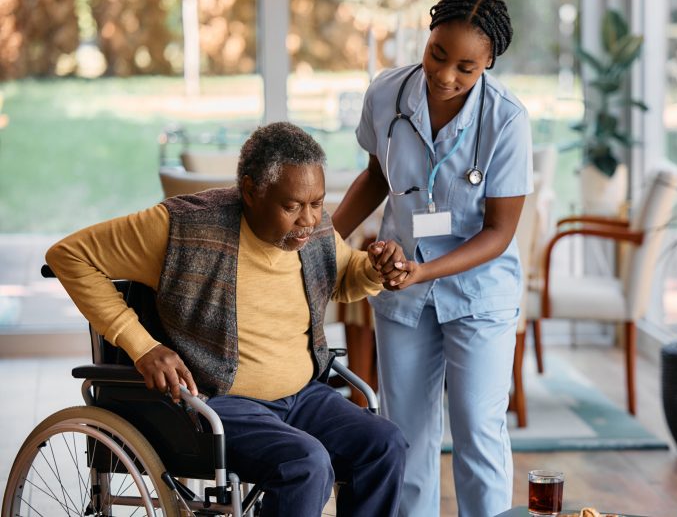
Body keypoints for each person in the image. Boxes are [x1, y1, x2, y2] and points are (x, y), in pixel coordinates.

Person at [46, 122, 409, 517]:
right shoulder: (181, 227)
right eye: (292, 207)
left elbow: (341, 277)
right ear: (251, 191)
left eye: (317, 203)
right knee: (304, 464)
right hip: (217, 403)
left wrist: (375, 269)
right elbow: (69, 255)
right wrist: (143, 346)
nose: (309, 220)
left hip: (302, 395)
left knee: (384, 443)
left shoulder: (315, 228)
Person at [333, 0, 532, 517]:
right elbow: (375, 177)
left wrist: (426, 271)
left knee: (477, 430)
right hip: (402, 291)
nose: (445, 76)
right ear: (427, 38)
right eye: (437, 55)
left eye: (466, 67)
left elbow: (499, 233)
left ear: (490, 62)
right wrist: (323, 240)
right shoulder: (387, 95)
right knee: (407, 434)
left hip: (478, 292)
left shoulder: (507, 121)